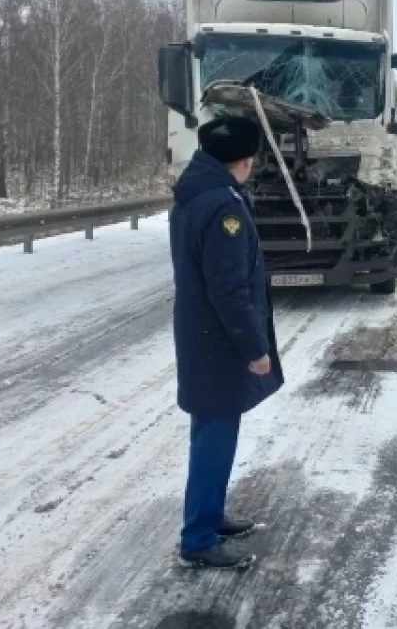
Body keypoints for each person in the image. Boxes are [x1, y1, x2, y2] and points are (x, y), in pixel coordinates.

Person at [169, 114, 284, 570]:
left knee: (210, 432)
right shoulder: (224, 207)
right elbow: (229, 289)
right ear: (243, 158)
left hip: (202, 335)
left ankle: (209, 518)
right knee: (215, 437)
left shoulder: (196, 193)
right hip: (218, 341)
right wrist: (255, 349)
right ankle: (198, 539)